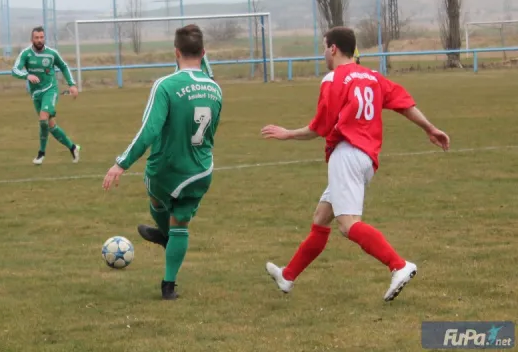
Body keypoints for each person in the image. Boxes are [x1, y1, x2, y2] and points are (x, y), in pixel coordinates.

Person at [261, 26, 450, 302]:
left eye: (325, 47)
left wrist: (288, 133)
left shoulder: (333, 78)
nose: (324, 53)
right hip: (366, 158)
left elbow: (321, 126)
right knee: (321, 218)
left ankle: (398, 265)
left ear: (334, 48)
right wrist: (430, 128)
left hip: (347, 154)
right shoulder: (373, 77)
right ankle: (288, 276)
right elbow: (404, 103)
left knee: (348, 224)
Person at [103, 24, 222, 300]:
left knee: (157, 201)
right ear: (203, 53)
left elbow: (149, 131)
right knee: (181, 222)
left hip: (166, 170)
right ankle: (168, 287)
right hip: (201, 170)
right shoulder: (216, 90)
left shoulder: (166, 85)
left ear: (175, 52)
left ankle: (166, 236)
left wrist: (121, 162)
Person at [12, 26, 81, 165]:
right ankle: (73, 147)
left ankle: (41, 154)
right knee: (50, 125)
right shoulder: (26, 54)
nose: (39, 40)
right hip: (36, 94)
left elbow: (64, 66)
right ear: (32, 39)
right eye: (36, 38)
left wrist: (71, 84)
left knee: (43, 119)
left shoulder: (51, 53)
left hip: (51, 89)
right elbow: (14, 70)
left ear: (44, 38)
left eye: (41, 37)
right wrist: (27, 75)